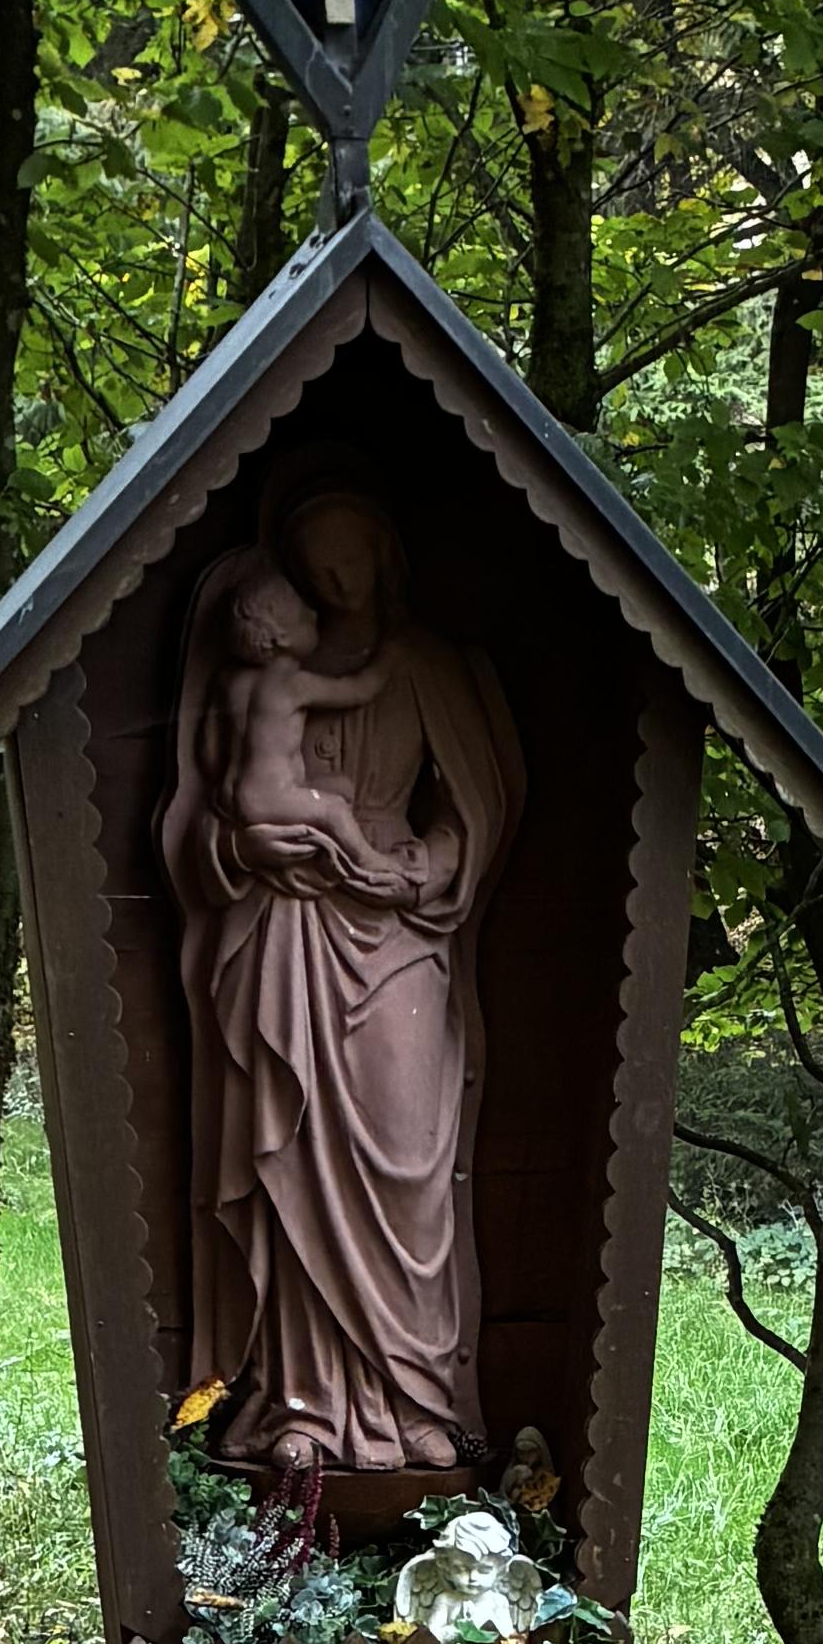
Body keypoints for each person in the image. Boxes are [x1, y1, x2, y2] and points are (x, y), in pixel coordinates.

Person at [165, 485, 525, 1476]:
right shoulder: (259, 678)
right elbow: (203, 819)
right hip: (287, 939)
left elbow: (473, 812)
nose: (334, 580)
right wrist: (245, 850)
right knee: (293, 1157)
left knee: (409, 1164)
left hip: (398, 935)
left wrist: (424, 867)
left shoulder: (424, 667)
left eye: (349, 558)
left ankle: (416, 1399)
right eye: (314, 564)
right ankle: (305, 1403)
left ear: (384, 557)